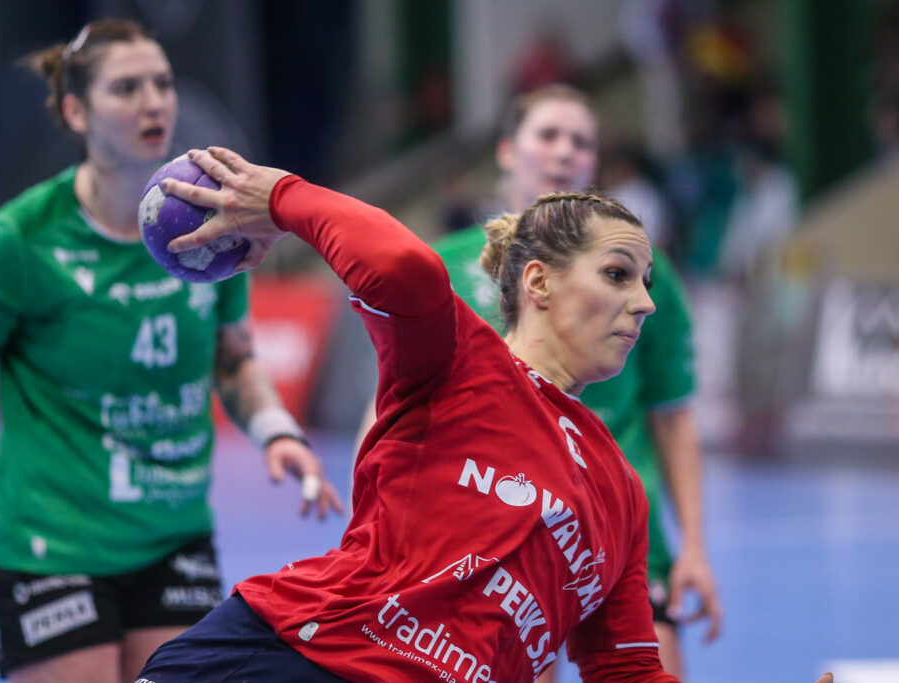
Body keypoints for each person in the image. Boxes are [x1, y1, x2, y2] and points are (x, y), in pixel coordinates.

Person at [137, 145, 676, 682]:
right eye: (617, 274)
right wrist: (282, 198)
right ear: (538, 282)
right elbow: (401, 266)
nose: (645, 303)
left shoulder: (622, 493)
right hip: (300, 655)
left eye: (645, 282)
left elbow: (626, 667)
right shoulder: (462, 359)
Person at [0, 19, 341, 683]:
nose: (154, 102)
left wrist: (276, 431)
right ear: (76, 112)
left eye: (163, 83)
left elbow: (232, 358)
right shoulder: (17, 242)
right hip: (49, 542)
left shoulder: (213, 224)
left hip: (173, 535)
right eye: (127, 88)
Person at [428, 84, 722, 680]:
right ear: (507, 150)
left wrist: (693, 545)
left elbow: (672, 413)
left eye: (582, 142)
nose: (565, 152)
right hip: (495, 533)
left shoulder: (642, 272)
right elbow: (399, 406)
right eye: (548, 135)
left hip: (616, 530)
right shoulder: (446, 266)